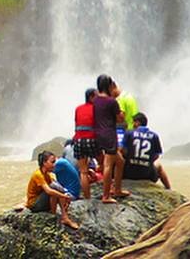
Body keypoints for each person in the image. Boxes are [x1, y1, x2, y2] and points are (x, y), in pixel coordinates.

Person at [92, 74, 128, 203]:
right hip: (109, 135)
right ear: (109, 86)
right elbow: (120, 118)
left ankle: (117, 189)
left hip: (97, 134)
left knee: (120, 162)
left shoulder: (95, 100)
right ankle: (106, 196)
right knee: (108, 165)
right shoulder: (111, 101)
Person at [24, 153, 79, 230]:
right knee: (53, 187)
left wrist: (65, 195)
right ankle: (64, 217)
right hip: (34, 205)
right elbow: (49, 191)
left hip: (42, 203)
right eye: (52, 162)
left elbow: (57, 187)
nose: (54, 165)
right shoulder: (38, 175)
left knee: (56, 185)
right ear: (44, 163)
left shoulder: (47, 175)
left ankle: (56, 214)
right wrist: (64, 196)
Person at [122, 113, 171, 189]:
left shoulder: (129, 133)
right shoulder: (154, 136)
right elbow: (157, 155)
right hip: (147, 174)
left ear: (138, 122)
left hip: (128, 173)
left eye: (133, 122)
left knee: (119, 161)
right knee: (159, 166)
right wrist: (146, 162)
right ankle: (169, 189)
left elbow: (122, 150)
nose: (133, 124)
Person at [72, 87, 98, 199]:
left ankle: (87, 197)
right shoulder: (96, 108)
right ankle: (109, 191)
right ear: (91, 97)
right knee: (105, 164)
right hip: (91, 139)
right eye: (96, 96)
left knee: (83, 171)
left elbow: (76, 123)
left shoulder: (78, 108)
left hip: (78, 140)